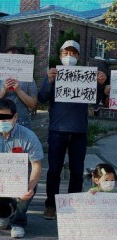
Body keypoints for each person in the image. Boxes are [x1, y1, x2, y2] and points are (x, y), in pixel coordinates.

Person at [38, 40, 108, 220]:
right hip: (57, 130)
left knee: (77, 171)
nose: (69, 57)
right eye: (66, 53)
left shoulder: (85, 75)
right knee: (54, 170)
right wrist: (50, 81)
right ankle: (51, 205)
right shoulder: (53, 74)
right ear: (60, 55)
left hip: (79, 131)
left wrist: (101, 85)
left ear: (78, 56)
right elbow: (43, 98)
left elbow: (96, 101)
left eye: (73, 53)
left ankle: (72, 205)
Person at [0, 98, 43, 238]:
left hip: (22, 180)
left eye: (6, 117)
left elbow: (37, 165)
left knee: (24, 195)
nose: (2, 122)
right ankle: (5, 214)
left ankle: (18, 223)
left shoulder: (28, 137)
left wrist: (30, 186)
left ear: (15, 117)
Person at [0, 46, 37, 129]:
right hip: (1, 121)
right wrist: (3, 91)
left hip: (22, 122)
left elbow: (33, 105)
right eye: (8, 59)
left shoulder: (29, 79)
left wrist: (19, 90)